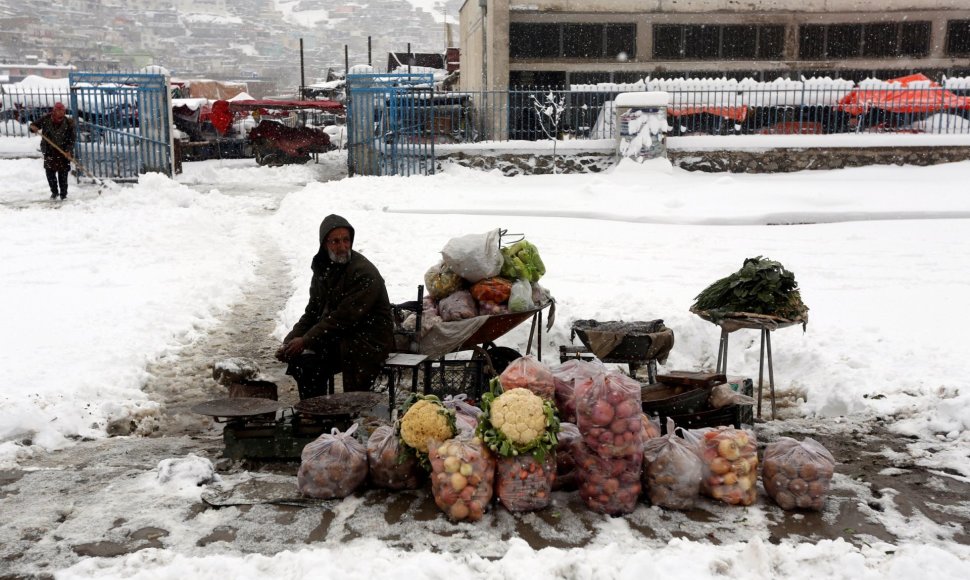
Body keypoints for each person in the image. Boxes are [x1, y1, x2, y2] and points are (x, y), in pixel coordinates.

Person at [276, 214, 395, 399]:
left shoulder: (363, 272)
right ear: (325, 244)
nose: (342, 247)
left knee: (312, 363)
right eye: (335, 241)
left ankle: (320, 414)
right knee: (301, 361)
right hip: (341, 335)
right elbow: (313, 311)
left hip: (367, 340)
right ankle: (313, 412)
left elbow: (343, 317)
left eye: (346, 240)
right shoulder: (324, 268)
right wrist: (291, 340)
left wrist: (306, 340)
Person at [29, 102, 76, 201]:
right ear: (54, 111)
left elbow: (72, 139)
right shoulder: (46, 119)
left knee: (63, 174)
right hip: (49, 150)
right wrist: (33, 128)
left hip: (63, 152)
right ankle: (54, 192)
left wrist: (68, 150)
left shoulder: (69, 123)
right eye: (58, 111)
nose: (60, 113)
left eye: (62, 111)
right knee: (50, 173)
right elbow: (33, 125)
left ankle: (63, 194)